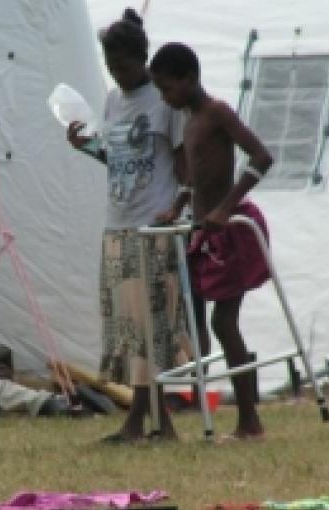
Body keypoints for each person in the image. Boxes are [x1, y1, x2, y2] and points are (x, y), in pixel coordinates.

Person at [66, 8, 190, 442]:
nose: (117, 75)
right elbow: (117, 161)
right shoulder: (115, 101)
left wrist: (179, 207)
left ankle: (143, 423)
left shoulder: (166, 101)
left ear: (142, 59)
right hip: (116, 226)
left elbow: (183, 164)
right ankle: (155, 424)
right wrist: (87, 147)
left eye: (122, 66)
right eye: (110, 67)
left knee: (150, 329)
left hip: (151, 226)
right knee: (129, 330)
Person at [150, 42, 274, 441]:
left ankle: (250, 422)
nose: (164, 99)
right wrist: (178, 206)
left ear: (188, 79)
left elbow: (261, 157)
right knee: (200, 320)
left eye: (167, 89)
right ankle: (210, 407)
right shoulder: (188, 120)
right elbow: (195, 174)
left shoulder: (216, 112)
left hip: (231, 230)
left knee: (224, 322)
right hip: (204, 232)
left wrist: (226, 208)